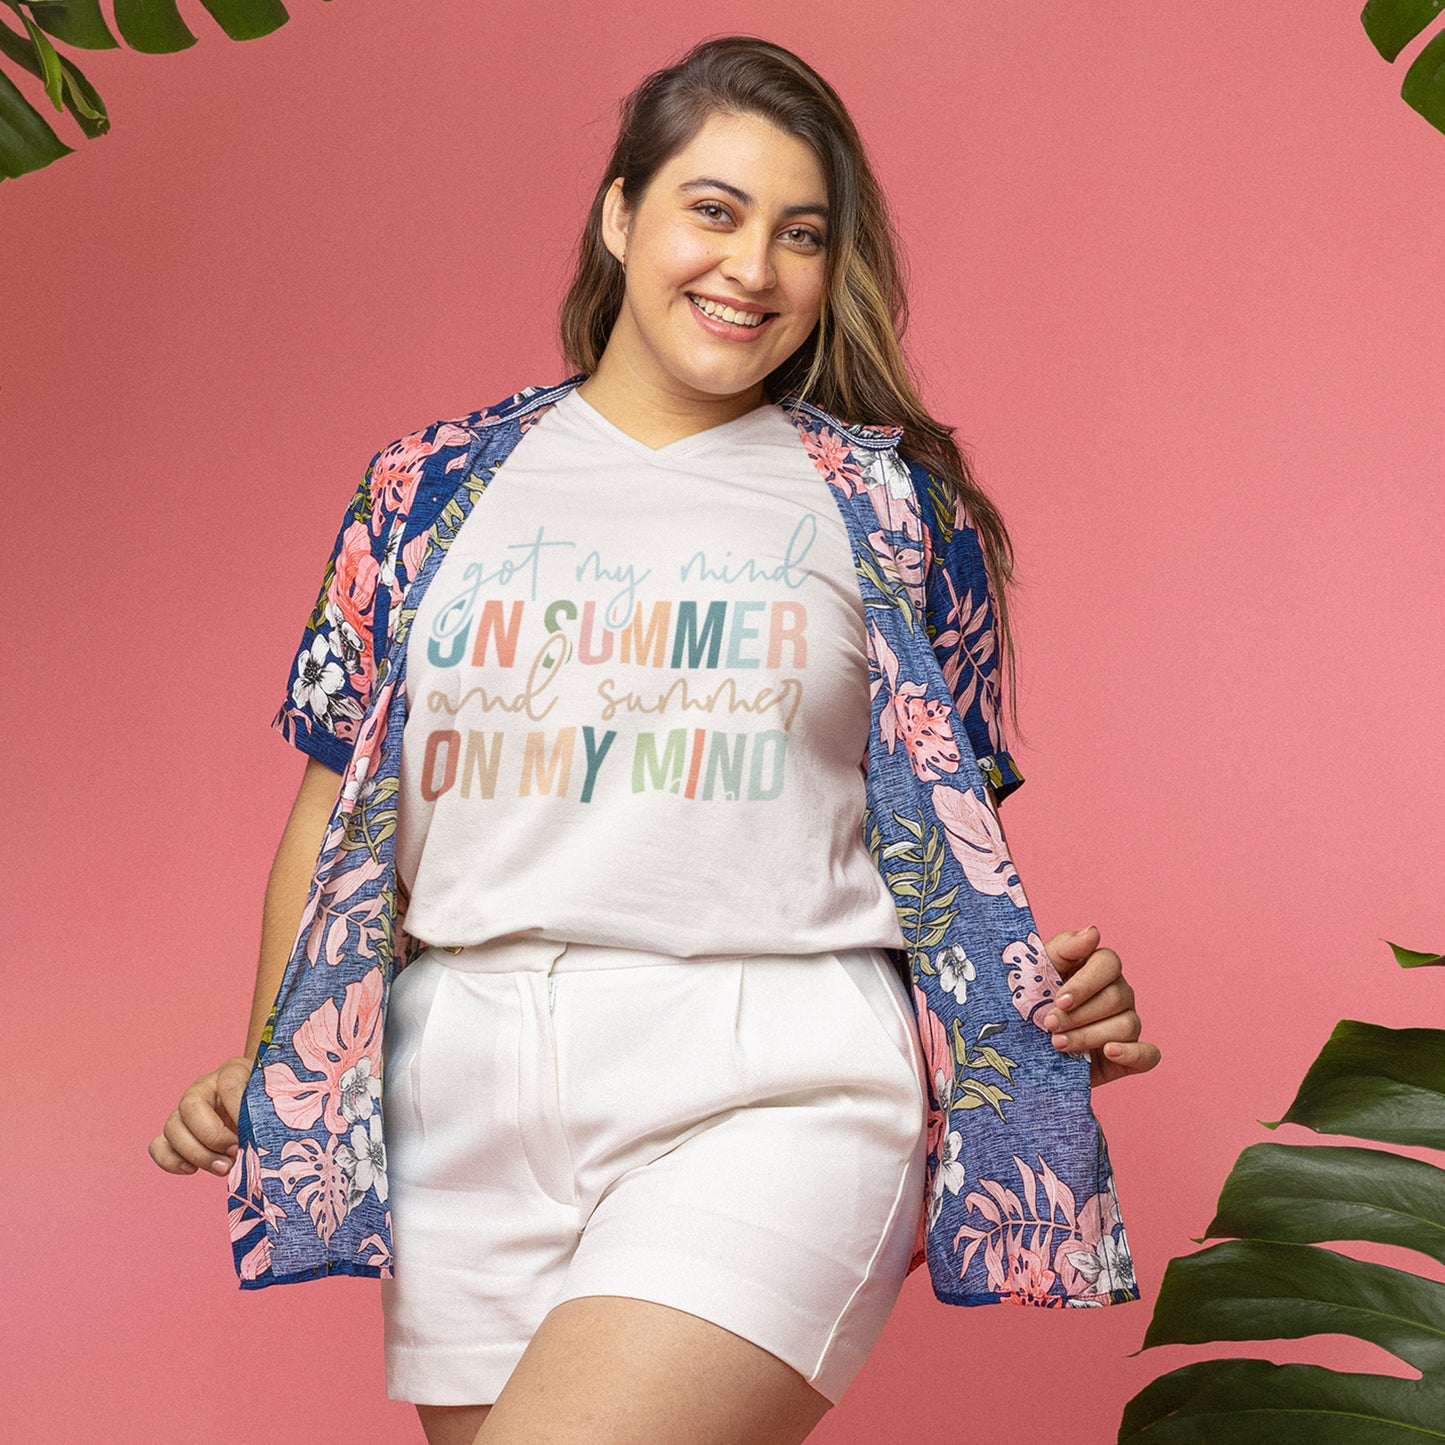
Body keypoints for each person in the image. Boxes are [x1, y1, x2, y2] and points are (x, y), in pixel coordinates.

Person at [150, 35, 1160, 1445]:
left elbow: (947, 844)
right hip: (463, 1093)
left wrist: (1035, 1012)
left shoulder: (893, 514)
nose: (752, 267)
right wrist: (268, 1059)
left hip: (774, 1078)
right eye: (713, 209)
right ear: (620, 215)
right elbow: (332, 817)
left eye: (800, 234)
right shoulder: (421, 491)